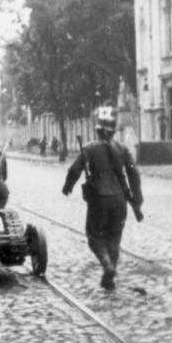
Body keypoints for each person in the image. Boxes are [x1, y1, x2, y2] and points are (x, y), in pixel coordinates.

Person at [62, 106, 143, 290]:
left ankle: (107, 265)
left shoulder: (89, 148)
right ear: (113, 131)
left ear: (98, 131)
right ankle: (109, 276)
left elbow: (74, 169)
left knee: (95, 237)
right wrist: (136, 200)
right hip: (120, 199)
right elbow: (134, 174)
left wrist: (68, 186)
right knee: (114, 237)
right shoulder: (122, 149)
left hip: (99, 199)